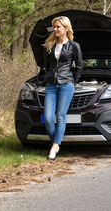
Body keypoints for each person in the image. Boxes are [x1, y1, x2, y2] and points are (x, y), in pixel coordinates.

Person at [43, 16, 83, 160]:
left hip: (66, 84)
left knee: (60, 116)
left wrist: (73, 81)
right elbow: (46, 66)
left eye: (58, 27)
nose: (55, 29)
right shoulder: (49, 45)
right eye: (54, 27)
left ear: (66, 28)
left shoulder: (74, 46)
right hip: (51, 85)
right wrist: (47, 78)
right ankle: (57, 143)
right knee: (47, 118)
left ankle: (54, 147)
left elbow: (79, 66)